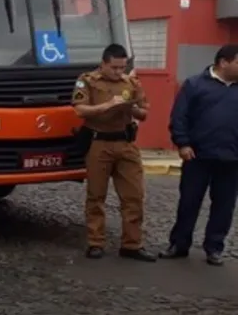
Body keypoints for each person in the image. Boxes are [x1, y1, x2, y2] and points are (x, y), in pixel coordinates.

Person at [71, 43, 157, 262]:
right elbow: (80, 110)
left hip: (126, 143)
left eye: (122, 67)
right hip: (99, 143)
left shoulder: (131, 83)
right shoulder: (88, 81)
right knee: (96, 196)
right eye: (114, 67)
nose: (119, 72)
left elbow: (145, 113)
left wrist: (131, 108)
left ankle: (132, 244)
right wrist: (106, 106)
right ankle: (95, 242)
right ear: (103, 64)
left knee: (134, 196)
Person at [160, 44, 238, 266]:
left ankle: (214, 247)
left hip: (231, 159)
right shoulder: (195, 84)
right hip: (197, 156)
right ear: (224, 62)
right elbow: (179, 116)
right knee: (189, 202)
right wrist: (182, 143)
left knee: (224, 206)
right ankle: (179, 244)